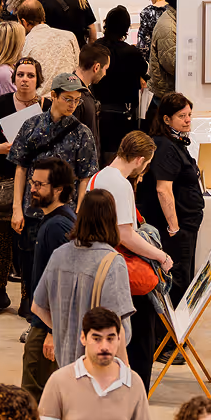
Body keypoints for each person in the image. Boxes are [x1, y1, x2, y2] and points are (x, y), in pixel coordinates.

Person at [84, 130, 174, 387]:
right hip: (122, 269)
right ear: (139, 159)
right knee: (139, 343)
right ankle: (136, 399)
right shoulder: (121, 184)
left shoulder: (99, 176)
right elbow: (125, 235)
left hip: (102, 265)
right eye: (147, 163)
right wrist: (161, 255)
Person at [11, 73, 99, 311]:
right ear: (53, 96)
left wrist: (79, 212)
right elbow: (21, 168)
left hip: (63, 216)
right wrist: (17, 208)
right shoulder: (31, 125)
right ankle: (32, 311)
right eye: (67, 98)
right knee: (30, 264)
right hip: (33, 210)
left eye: (76, 100)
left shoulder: (83, 133)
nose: (72, 104)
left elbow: (85, 177)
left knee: (62, 266)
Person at [32, 198, 135, 372]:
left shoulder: (59, 255)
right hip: (100, 366)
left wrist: (61, 329)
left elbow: (37, 306)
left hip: (65, 364)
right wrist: (125, 368)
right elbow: (116, 323)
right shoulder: (112, 261)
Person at [0, 55, 40, 317]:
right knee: (0, 238)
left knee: (28, 240)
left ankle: (28, 296)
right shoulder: (1, 105)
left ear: (38, 80)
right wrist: (3, 149)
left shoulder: (45, 107)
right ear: (14, 79)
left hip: (34, 185)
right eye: (21, 75)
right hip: (1, 179)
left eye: (30, 75)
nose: (25, 79)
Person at [140, 94, 206, 299]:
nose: (188, 120)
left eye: (189, 115)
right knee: (178, 279)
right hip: (175, 229)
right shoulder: (164, 147)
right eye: (181, 116)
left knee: (185, 276)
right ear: (166, 119)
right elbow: (163, 189)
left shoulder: (175, 142)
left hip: (186, 225)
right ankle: (175, 328)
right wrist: (174, 228)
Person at [22, 158, 78, 394]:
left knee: (35, 396)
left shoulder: (57, 227)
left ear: (59, 189)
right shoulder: (55, 221)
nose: (32, 189)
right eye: (32, 182)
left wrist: (52, 332)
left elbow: (64, 285)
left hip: (47, 326)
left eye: (39, 185)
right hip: (47, 322)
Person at [93, 6, 147, 158]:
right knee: (123, 156)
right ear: (126, 28)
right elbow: (144, 70)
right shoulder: (131, 52)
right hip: (124, 113)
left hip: (98, 111)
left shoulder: (96, 48)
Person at [21, 0, 79, 98]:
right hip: (67, 98)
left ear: (24, 22)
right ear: (43, 16)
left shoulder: (25, 42)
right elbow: (77, 67)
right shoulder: (69, 36)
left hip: (39, 103)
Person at [138, 0, 171, 65]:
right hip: (173, 61)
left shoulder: (147, 13)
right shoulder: (175, 9)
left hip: (155, 64)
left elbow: (143, 46)